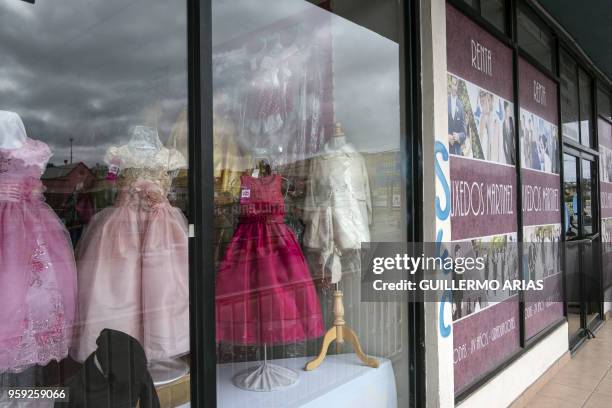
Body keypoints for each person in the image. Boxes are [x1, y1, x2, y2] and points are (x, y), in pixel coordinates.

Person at [448, 76, 466, 155]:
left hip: (456, 151)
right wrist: (446, 136)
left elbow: (464, 134)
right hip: (444, 148)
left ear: (458, 86)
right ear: (450, 84)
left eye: (456, 85)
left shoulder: (461, 106)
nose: (454, 87)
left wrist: (458, 136)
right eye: (453, 84)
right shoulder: (444, 101)